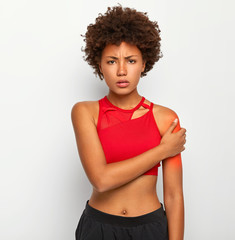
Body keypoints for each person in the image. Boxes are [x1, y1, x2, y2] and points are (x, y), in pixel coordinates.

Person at [72, 5, 186, 240]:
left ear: (144, 64)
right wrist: (163, 150)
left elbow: (174, 196)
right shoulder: (86, 112)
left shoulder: (166, 118)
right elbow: (101, 180)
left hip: (150, 228)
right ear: (100, 66)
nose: (122, 70)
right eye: (112, 61)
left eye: (131, 61)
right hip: (98, 227)